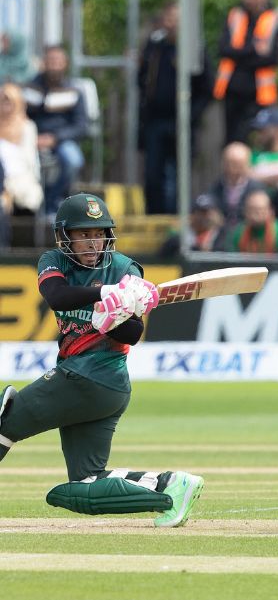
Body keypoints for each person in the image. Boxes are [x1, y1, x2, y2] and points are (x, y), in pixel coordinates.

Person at [0, 193, 204, 527]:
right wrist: (104, 295)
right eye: (82, 234)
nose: (92, 241)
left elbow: (133, 334)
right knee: (86, 483)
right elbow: (57, 296)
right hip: (95, 386)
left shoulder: (125, 268)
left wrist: (117, 318)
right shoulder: (54, 261)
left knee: (5, 421)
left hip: (92, 376)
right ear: (66, 236)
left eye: (98, 234)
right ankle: (170, 487)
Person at [138, 2, 211, 214]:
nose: (171, 23)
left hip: (182, 122)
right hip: (155, 121)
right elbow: (142, 80)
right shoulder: (155, 46)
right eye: (168, 18)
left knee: (180, 175)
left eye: (175, 19)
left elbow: (207, 88)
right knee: (153, 174)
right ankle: (155, 216)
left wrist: (191, 116)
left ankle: (177, 219)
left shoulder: (194, 48)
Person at [214, 0, 278, 145]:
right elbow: (223, 49)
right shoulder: (235, 16)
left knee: (255, 139)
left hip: (259, 94)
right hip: (232, 90)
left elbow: (274, 57)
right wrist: (254, 50)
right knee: (231, 139)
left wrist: (239, 55)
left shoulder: (273, 19)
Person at [25, 45, 87, 212]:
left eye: (57, 61)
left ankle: (52, 202)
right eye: (50, 60)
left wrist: (55, 138)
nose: (54, 64)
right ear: (43, 63)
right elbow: (23, 117)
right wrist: (32, 138)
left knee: (73, 161)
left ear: (65, 63)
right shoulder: (31, 88)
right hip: (32, 140)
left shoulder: (74, 90)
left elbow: (81, 126)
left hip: (61, 140)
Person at [0, 82, 42, 214]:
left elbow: (30, 160)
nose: (5, 105)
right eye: (2, 101)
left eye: (9, 101)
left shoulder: (27, 126)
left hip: (19, 176)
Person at [225, 188, 278, 254]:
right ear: (245, 211)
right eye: (251, 209)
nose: (255, 214)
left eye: (260, 209)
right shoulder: (237, 233)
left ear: (270, 211)